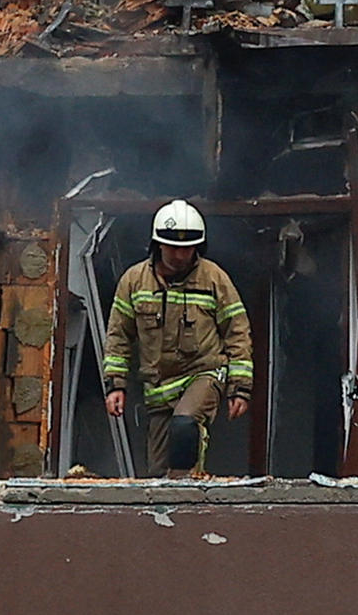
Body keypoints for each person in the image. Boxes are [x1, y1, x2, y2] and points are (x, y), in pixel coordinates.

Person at [99, 201, 255, 479]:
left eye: (188, 248)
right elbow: (118, 336)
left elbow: (237, 330)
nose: (181, 255)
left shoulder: (214, 279)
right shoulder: (133, 282)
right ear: (158, 244)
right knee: (158, 473)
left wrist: (239, 388)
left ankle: (190, 494)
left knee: (185, 427)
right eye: (173, 248)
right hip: (158, 386)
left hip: (203, 373)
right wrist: (115, 385)